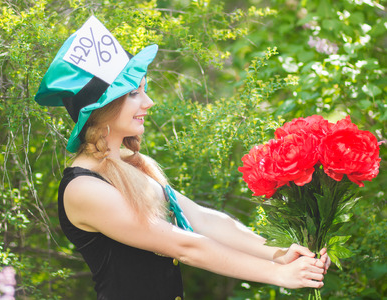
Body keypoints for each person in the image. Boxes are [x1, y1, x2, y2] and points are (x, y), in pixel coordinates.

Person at [35, 16, 331, 300]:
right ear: (103, 108)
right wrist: (278, 274)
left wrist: (280, 254)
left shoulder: (129, 163)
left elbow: (201, 220)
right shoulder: (84, 188)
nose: (148, 102)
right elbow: (185, 245)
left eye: (144, 90)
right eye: (134, 93)